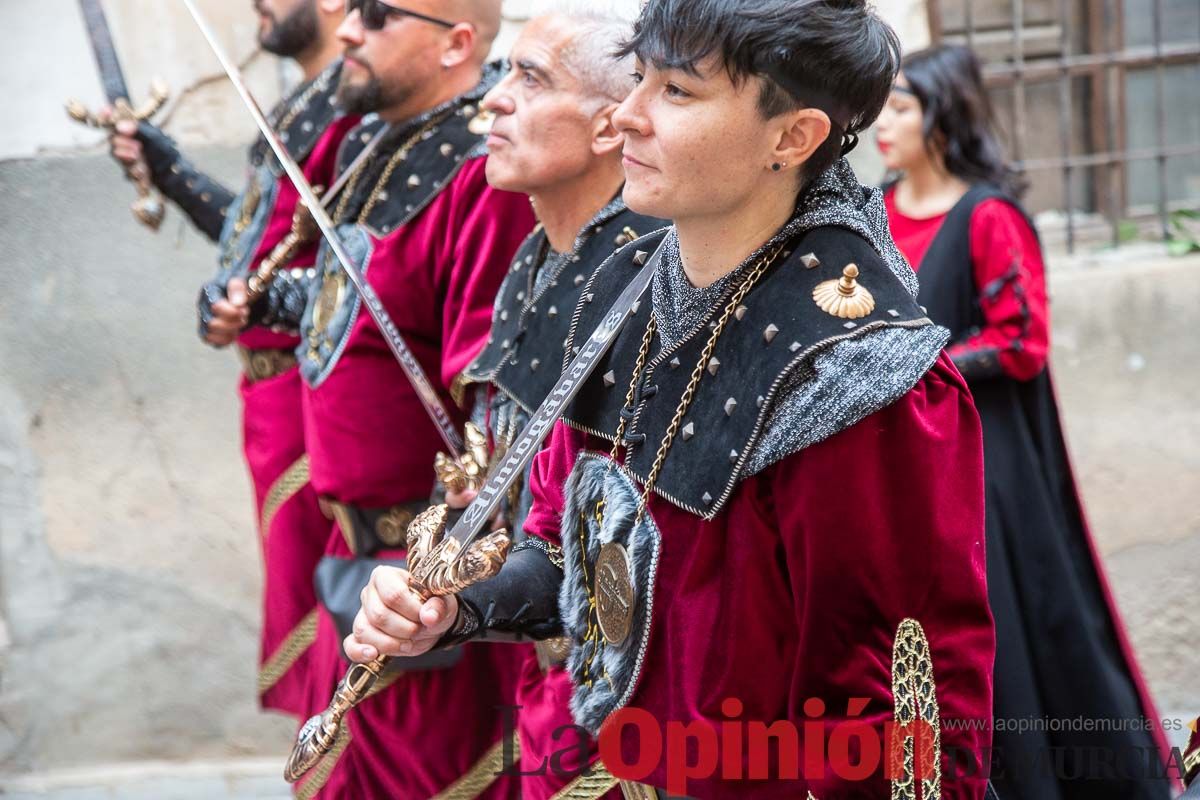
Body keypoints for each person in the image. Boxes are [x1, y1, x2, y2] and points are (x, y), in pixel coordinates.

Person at [345, 1, 997, 797]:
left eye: (678, 92)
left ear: (793, 137)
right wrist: (458, 603)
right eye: (639, 78)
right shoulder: (620, 287)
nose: (627, 114)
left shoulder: (856, 373)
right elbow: (564, 547)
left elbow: (897, 717)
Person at [223, 0, 537, 795]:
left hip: (423, 574)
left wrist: (448, 562)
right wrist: (262, 300)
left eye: (376, 14)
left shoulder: (483, 172)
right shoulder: (366, 143)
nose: (348, 32)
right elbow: (355, 298)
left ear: (455, 43)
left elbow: (495, 389)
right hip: (351, 552)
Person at [875, 43, 1173, 800]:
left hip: (984, 462)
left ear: (942, 118)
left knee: (1005, 624)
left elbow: (1021, 341)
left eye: (901, 108)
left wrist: (920, 366)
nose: (883, 125)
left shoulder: (988, 217)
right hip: (897, 460)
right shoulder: (873, 214)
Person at [434, 5, 664, 796]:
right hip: (538, 666)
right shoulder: (535, 256)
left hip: (623, 701)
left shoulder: (648, 278)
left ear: (607, 127)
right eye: (504, 73)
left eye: (530, 79)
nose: (494, 99)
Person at [106, 0, 354, 718]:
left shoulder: (355, 110)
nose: (257, 4)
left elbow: (365, 275)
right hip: (275, 401)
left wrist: (260, 299)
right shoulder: (305, 104)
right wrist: (171, 169)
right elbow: (259, 245)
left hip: (322, 401)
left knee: (344, 624)